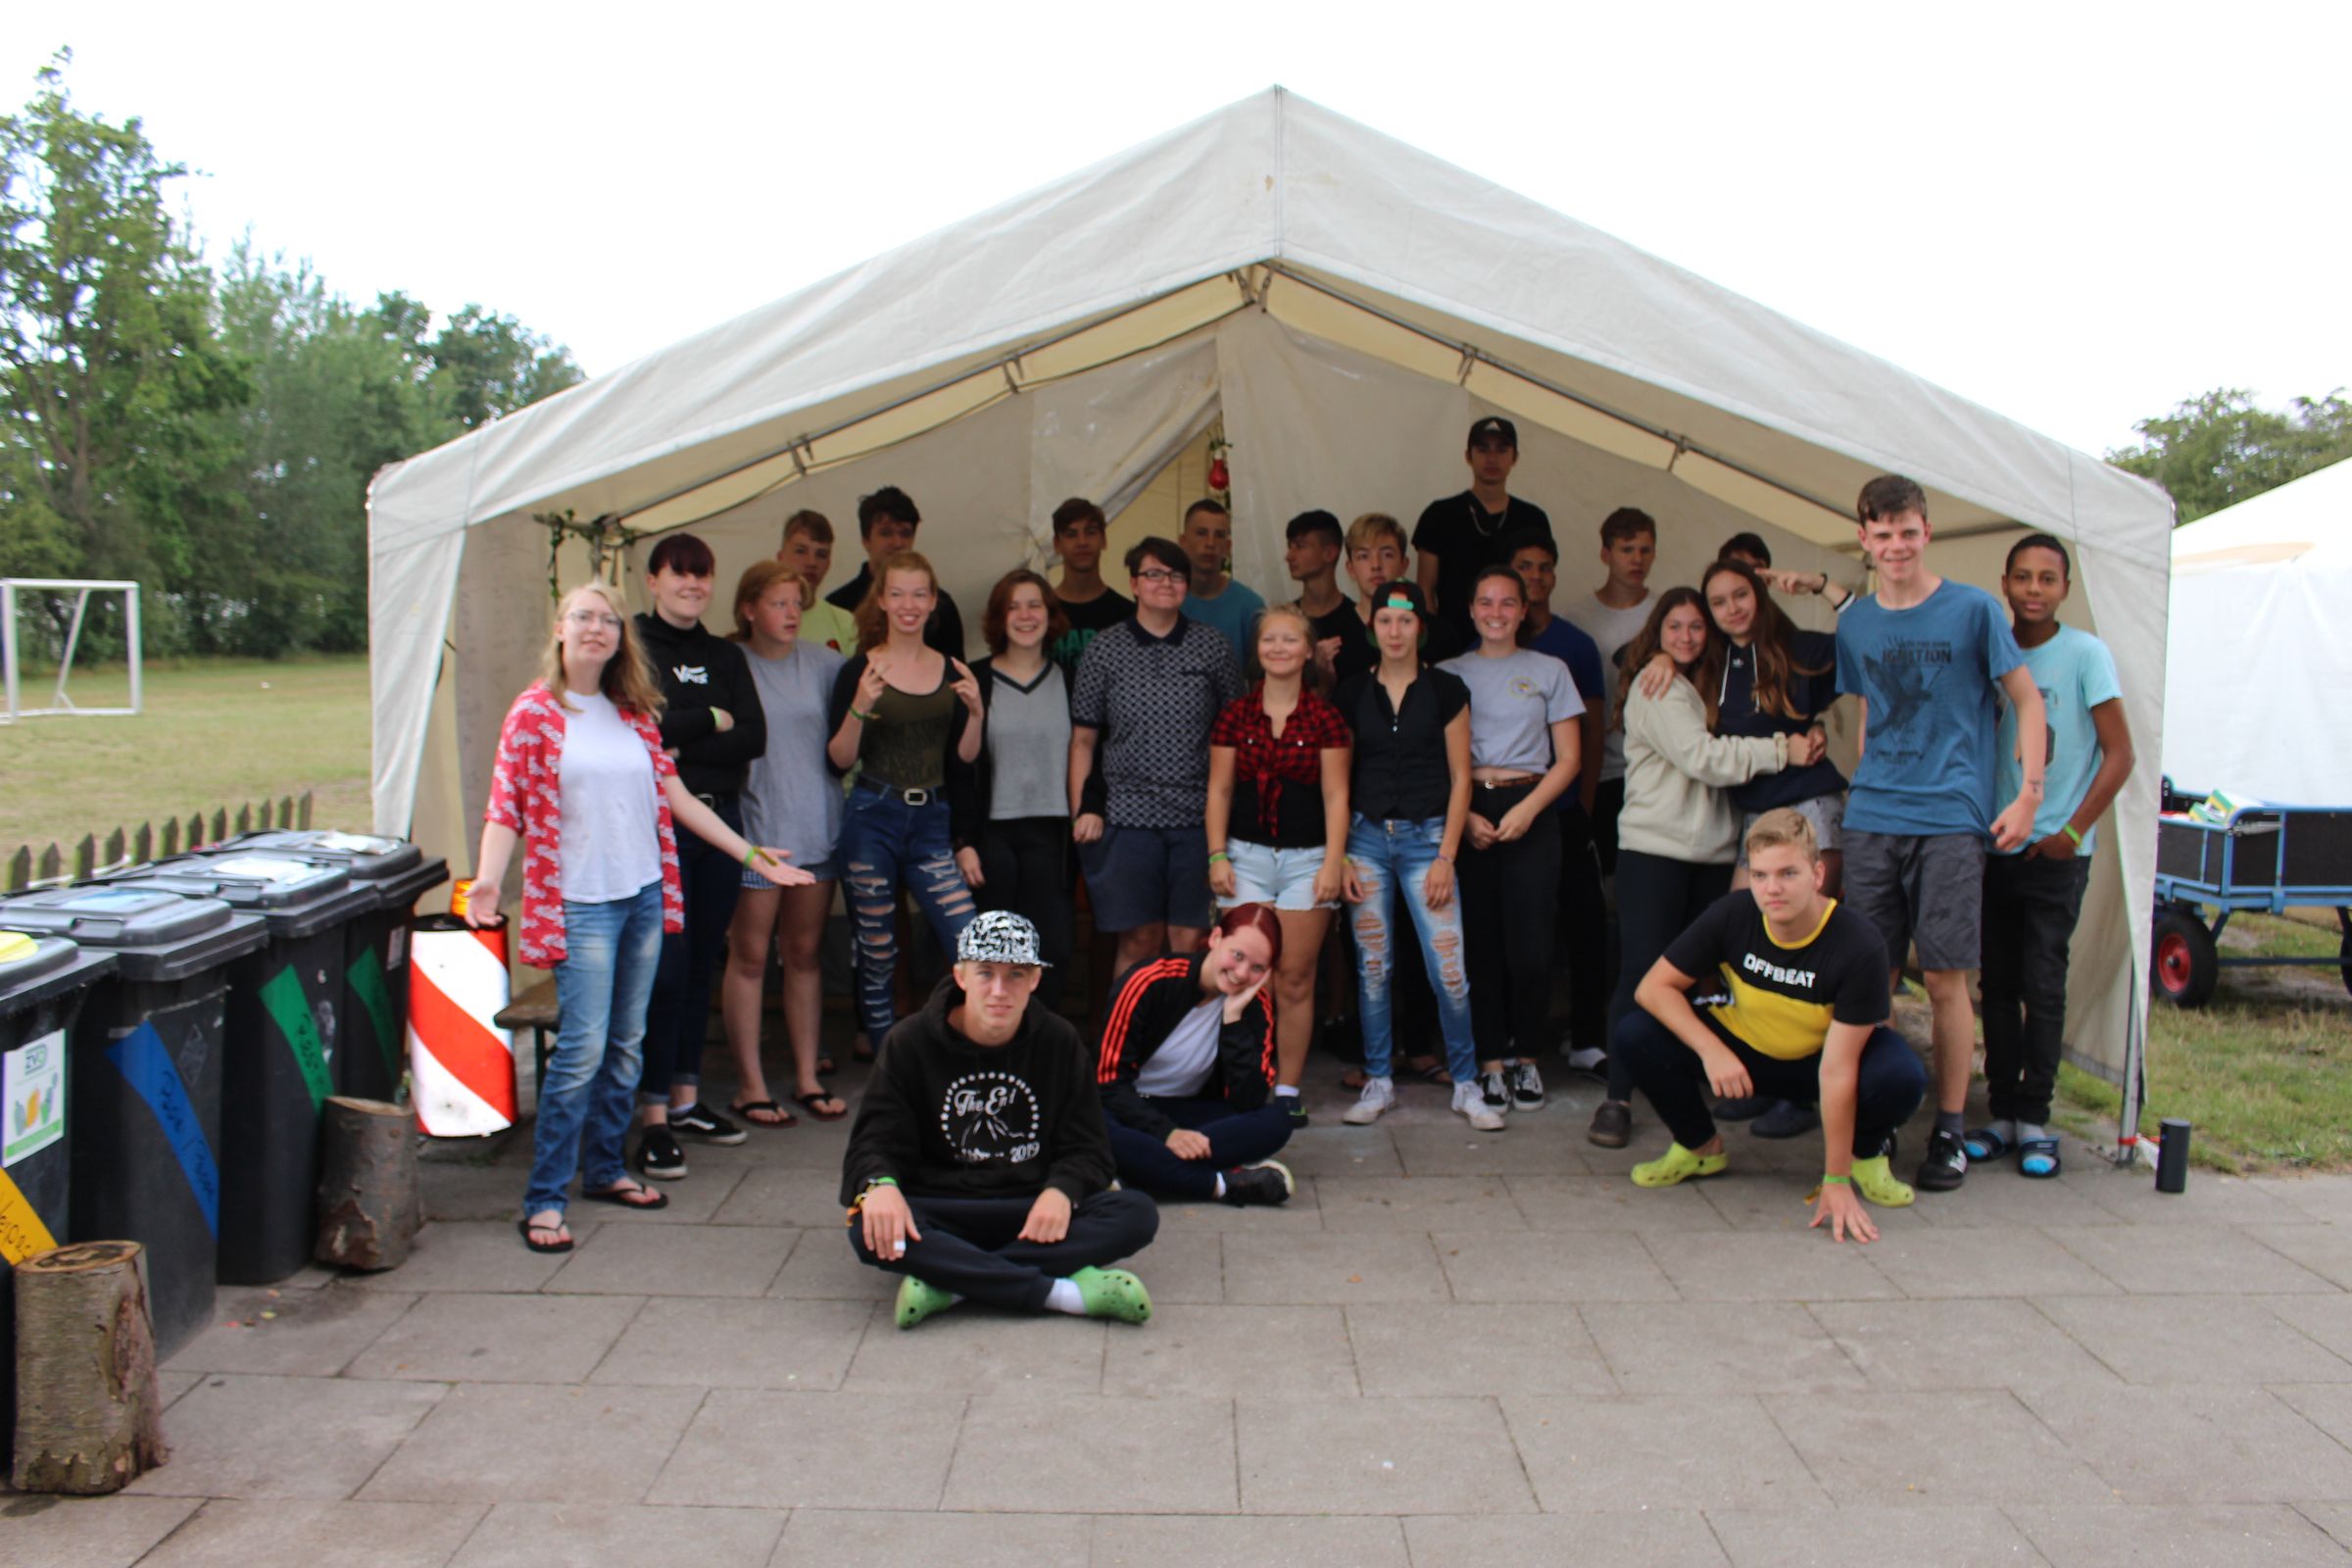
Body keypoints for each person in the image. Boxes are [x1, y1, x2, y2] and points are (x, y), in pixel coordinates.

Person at [468, 582, 808, 1253]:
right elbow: (506, 804)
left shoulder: (633, 711)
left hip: (645, 896)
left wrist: (751, 854)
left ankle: (604, 1170)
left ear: (621, 637)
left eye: (609, 620)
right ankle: (545, 1198)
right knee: (582, 1051)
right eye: (584, 617)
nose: (597, 628)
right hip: (582, 903)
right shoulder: (536, 713)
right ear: (561, 629)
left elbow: (676, 795)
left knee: (627, 1043)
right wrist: (486, 878)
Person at [1837, 474, 2045, 1194]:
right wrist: (1868, 778)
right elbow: (1870, 710)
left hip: (1951, 819)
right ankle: (1881, 1116)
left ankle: (1950, 1129)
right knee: (1873, 979)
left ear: (1927, 532)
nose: (1896, 546)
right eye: (1883, 534)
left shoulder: (1974, 610)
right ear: (1864, 539)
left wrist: (2029, 796)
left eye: (1908, 532)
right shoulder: (1856, 623)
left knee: (1947, 979)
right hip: (1873, 818)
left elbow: (2027, 701)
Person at [1614, 809, 1928, 1244]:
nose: (1771, 889)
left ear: (1818, 874)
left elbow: (1838, 1069)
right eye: (1760, 875)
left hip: (1821, 1060)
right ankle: (1699, 1147)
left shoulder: (1858, 942)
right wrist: (1711, 1050)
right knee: (1635, 1034)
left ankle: (1864, 1156)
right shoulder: (1733, 913)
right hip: (1745, 1053)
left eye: (1787, 873)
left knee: (1902, 1075)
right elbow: (1653, 988)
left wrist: (1835, 1180)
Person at [842, 910, 1158, 1329]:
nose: (998, 990)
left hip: (1031, 1206)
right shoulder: (909, 1041)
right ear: (960, 976)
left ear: (1035, 980)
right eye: (985, 973)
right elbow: (872, 1142)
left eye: (1015, 975)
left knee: (1137, 1213)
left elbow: (1089, 1148)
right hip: (942, 1206)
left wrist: (1062, 1191)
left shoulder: (1060, 1041)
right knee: (867, 1225)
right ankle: (1060, 1294)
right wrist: (880, 1185)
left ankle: (951, 1283)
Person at [1633, 557, 1847, 1140]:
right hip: (1752, 818)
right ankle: (1766, 1078)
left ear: (1759, 594)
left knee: (1804, 951)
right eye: (1718, 602)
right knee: (1742, 951)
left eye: (1740, 595)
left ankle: (1804, 1090)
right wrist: (1660, 655)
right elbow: (1655, 652)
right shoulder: (1713, 660)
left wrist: (1823, 585)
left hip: (1807, 807)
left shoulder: (1797, 646)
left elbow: (1866, 641)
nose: (1731, 609)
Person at [1588, 589, 1806, 1149]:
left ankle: (1680, 1088)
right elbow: (1703, 760)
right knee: (1643, 975)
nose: (1685, 637)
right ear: (1656, 632)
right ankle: (1617, 1099)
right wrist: (1784, 750)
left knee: (1696, 980)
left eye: (1696, 627)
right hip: (1654, 853)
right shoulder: (1656, 684)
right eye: (1674, 628)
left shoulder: (1713, 683)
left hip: (1712, 854)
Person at [1969, 534, 2134, 1180]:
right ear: (2005, 584)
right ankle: (2002, 1114)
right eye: (2023, 577)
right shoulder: (1992, 653)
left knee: (2043, 983)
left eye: (2047, 578)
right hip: (1993, 847)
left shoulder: (2086, 655)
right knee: (1996, 986)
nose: (2034, 589)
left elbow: (2120, 754)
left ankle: (2036, 1117)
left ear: (2065, 588)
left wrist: (2072, 830)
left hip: (2057, 852)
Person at [632, 534, 767, 1181]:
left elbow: (754, 736)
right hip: (658, 828)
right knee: (666, 967)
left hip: (721, 823)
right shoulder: (633, 647)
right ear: (653, 580)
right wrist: (711, 718)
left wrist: (684, 738)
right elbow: (643, 732)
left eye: (702, 575)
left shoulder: (724, 654)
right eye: (679, 574)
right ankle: (652, 1115)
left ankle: (685, 1100)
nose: (692, 585)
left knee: (699, 966)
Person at [1332, 581, 1488, 1130]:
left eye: (1405, 620)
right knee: (1374, 968)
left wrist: (1447, 856)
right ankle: (1379, 1080)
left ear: (1420, 626)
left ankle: (1466, 1083)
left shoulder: (1447, 688)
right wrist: (1340, 856)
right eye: (1385, 621)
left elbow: (1461, 776)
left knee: (1449, 969)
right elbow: (1339, 781)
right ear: (1372, 627)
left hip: (1428, 840)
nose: (1395, 631)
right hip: (1365, 840)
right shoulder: (1351, 692)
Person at [828, 551, 987, 1056]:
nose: (908, 605)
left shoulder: (951, 669)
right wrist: (859, 706)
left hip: (931, 821)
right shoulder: (861, 668)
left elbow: (964, 760)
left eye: (919, 594)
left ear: (934, 600)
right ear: (881, 600)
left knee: (968, 940)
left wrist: (976, 714)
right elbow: (837, 759)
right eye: (897, 594)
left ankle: (960, 1050)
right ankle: (886, 1066)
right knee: (877, 951)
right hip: (873, 815)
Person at [1440, 564, 1584, 1117]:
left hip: (1531, 809)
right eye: (1485, 602)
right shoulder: (1449, 673)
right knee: (1479, 944)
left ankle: (1527, 1057)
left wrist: (1528, 808)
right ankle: (1491, 1063)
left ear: (1524, 610)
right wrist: (1465, 817)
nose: (1495, 613)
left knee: (1532, 947)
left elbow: (1569, 758)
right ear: (1471, 610)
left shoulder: (1550, 670)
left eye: (1507, 603)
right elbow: (1433, 759)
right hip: (1468, 810)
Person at [1069, 536, 1246, 979]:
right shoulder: (1105, 649)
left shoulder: (1213, 646)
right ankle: (1128, 1027)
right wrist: (1081, 812)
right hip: (1127, 819)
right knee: (1139, 940)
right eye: (1153, 574)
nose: (1165, 583)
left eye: (1175, 575)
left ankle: (1185, 1028)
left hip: (1197, 818)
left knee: (1190, 939)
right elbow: (1083, 741)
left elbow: (1235, 734)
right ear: (1133, 584)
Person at [1205, 604, 1352, 1124]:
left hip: (1306, 860)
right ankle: (1247, 1083)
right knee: (1246, 976)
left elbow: (1337, 797)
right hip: (1244, 857)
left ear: (1308, 651)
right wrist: (1217, 853)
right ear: (1258, 650)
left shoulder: (1326, 719)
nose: (1279, 648)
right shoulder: (1235, 714)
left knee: (1293, 978)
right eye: (1270, 640)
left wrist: (1333, 862)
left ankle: (1288, 1090)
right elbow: (1220, 790)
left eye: (1291, 640)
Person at [720, 562, 846, 1127]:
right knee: (749, 958)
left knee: (804, 955)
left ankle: (806, 1077)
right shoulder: (731, 663)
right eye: (778, 603)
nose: (792, 613)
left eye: (797, 603)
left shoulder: (825, 664)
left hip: (815, 827)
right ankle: (749, 1085)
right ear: (749, 609)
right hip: (756, 831)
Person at [1096, 904, 1296, 1205]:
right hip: (1128, 1107)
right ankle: (1219, 1184)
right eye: (1237, 955)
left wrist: (1233, 1020)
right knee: (1096, 1128)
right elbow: (1108, 1084)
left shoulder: (1255, 1007)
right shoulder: (1149, 980)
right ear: (1215, 938)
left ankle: (1139, 1170)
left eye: (1257, 968)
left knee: (1277, 1121)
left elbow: (1248, 1101)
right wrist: (1168, 1134)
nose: (1241, 973)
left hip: (1187, 1111)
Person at [1506, 531, 1611, 1067]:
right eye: (1525, 566)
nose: (1536, 576)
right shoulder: (1485, 646)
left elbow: (1592, 731)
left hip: (1566, 808)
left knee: (1584, 922)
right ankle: (1512, 1037)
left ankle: (1586, 1037)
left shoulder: (1575, 645)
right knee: (1519, 928)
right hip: (1509, 813)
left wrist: (1584, 805)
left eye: (1545, 567)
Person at [954, 569, 1079, 991]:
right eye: (1013, 607)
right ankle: (996, 1029)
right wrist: (963, 842)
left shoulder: (1070, 679)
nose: (1025, 616)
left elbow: (1089, 754)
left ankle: (1038, 1031)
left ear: (1050, 614)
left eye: (1034, 605)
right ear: (998, 618)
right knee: (996, 951)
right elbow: (960, 768)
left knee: (1053, 947)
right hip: (993, 833)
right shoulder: (976, 681)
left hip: (1053, 831)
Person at [1559, 506, 1658, 879]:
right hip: (1598, 767)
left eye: (1645, 550)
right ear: (1606, 554)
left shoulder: (1665, 615)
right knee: (1600, 875)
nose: (1637, 559)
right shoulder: (1576, 617)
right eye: (1627, 549)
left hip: (1651, 766)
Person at [1413, 415, 1555, 637]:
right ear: (1468, 456)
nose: (1492, 458)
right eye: (1482, 449)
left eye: (1502, 449)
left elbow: (1540, 587)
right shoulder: (1439, 515)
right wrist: (1435, 640)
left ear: (1515, 457)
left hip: (1517, 640)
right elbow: (1425, 590)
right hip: (1453, 642)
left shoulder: (1533, 518)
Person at [825, 486, 967, 658]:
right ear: (866, 540)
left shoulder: (940, 605)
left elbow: (955, 668)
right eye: (886, 533)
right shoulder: (838, 605)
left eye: (905, 533)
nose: (898, 543)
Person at [1046, 497, 1133, 678]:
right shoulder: (1041, 613)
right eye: (1071, 534)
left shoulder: (1129, 615)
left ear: (1104, 540)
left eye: (1090, 532)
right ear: (1057, 545)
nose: (1082, 542)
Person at [1177, 498, 1266, 663]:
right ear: (1183, 542)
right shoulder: (1165, 602)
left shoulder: (1250, 606)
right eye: (1201, 533)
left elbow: (1260, 673)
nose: (1210, 543)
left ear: (1227, 547)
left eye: (1219, 535)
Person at [777, 509, 862, 655]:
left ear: (829, 562)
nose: (812, 562)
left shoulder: (844, 621)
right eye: (801, 551)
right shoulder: (762, 618)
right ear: (781, 557)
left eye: (821, 554)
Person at [1284, 509, 1355, 675]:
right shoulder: (1285, 622)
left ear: (1329, 553)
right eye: (1289, 547)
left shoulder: (1358, 620)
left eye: (1300, 546)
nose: (1289, 556)